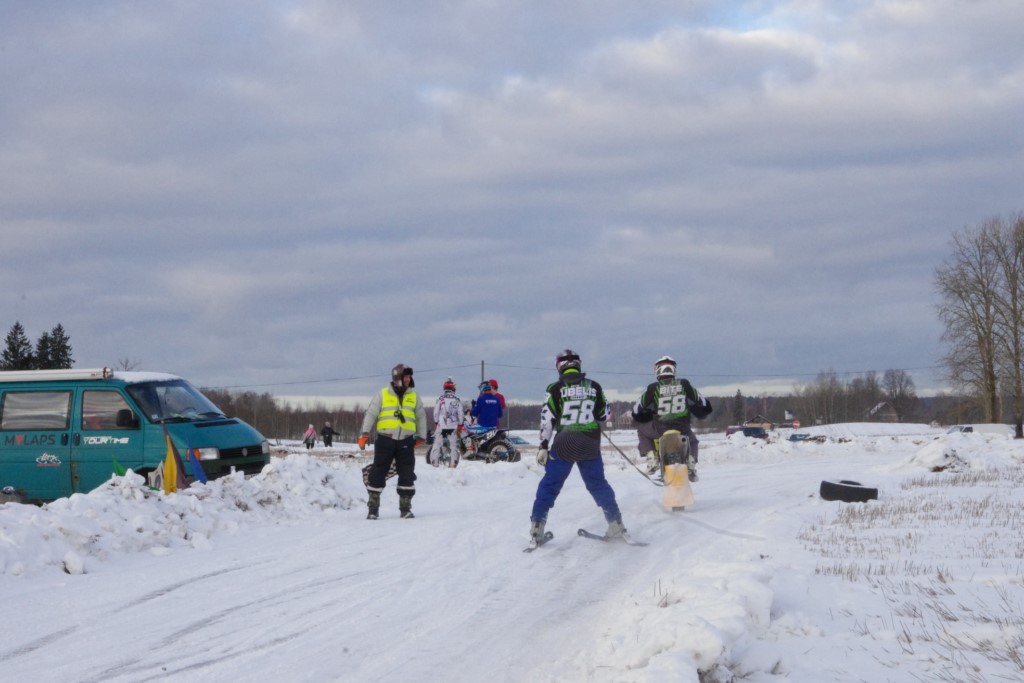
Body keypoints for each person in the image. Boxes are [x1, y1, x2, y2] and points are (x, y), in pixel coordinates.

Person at [529, 349, 626, 543]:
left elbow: (547, 420)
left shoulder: (554, 389)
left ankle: (537, 526)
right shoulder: (594, 386)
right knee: (598, 484)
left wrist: (543, 445)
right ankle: (616, 524)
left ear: (559, 366)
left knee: (550, 484)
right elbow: (605, 415)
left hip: (565, 444)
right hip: (590, 443)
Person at [358, 364, 426, 519]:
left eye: (409, 376)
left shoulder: (414, 396)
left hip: (406, 441)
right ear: (397, 377)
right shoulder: (383, 394)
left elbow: (421, 416)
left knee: (407, 473)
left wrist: (421, 436)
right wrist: (364, 433)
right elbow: (370, 413)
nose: (408, 379)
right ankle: (373, 509)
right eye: (406, 376)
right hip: (385, 440)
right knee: (378, 473)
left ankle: (405, 509)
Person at [631, 355, 713, 482]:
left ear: (657, 370)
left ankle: (652, 459)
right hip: (683, 428)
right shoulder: (684, 384)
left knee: (642, 430)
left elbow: (636, 410)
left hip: (660, 428)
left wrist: (647, 415)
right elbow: (703, 403)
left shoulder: (653, 388)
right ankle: (691, 465)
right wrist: (697, 409)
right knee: (693, 442)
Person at [429, 377, 466, 467]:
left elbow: (436, 412)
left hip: (441, 425)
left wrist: (436, 422)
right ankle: (453, 464)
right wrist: (460, 424)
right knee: (453, 445)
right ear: (453, 388)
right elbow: (461, 413)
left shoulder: (440, 398)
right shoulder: (457, 399)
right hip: (454, 426)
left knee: (437, 444)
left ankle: (435, 463)